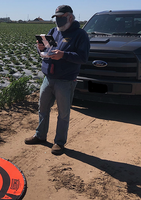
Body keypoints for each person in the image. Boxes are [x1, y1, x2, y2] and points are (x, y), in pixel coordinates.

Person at [25, 5, 90, 155]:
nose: (58, 21)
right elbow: (45, 51)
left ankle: (59, 143)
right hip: (48, 78)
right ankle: (40, 135)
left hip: (65, 80)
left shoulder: (80, 35)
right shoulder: (53, 32)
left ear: (70, 17)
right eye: (57, 17)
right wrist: (40, 48)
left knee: (63, 113)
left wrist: (64, 55)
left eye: (62, 17)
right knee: (42, 108)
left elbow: (83, 58)